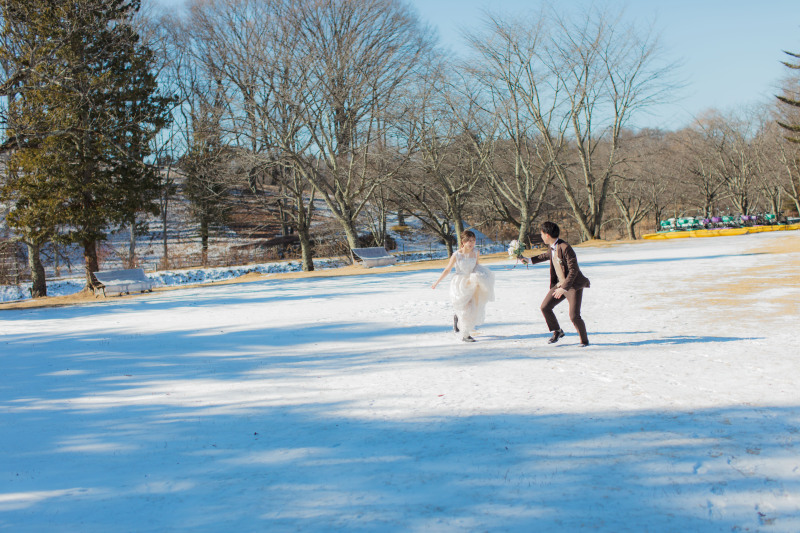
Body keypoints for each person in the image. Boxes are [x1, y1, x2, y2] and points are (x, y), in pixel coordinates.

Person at [523, 221, 591, 347]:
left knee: (574, 316)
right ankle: (557, 331)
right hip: (560, 283)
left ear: (547, 235)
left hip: (573, 286)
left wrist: (564, 288)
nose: (541, 236)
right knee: (545, 307)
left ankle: (584, 341)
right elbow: (546, 255)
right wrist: (528, 260)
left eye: (542, 234)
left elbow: (574, 270)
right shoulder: (553, 246)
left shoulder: (565, 247)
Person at [432, 230, 495, 342]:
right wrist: (437, 282)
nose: (471, 243)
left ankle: (465, 333)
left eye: (473, 240)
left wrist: (482, 277)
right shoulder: (456, 255)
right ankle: (463, 331)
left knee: (471, 308)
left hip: (472, 281)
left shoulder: (476, 252)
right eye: (469, 241)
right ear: (463, 241)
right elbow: (447, 269)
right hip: (459, 283)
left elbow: (476, 265)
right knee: (464, 308)